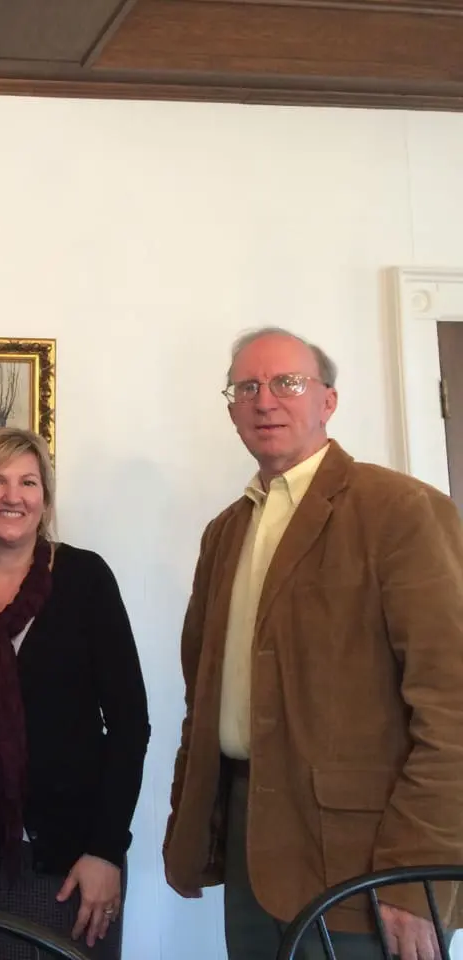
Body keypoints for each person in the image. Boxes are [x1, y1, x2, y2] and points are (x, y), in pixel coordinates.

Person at [164, 327, 463, 960]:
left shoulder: (400, 510)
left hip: (367, 862)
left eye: (287, 383)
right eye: (246, 388)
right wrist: (188, 830)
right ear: (232, 410)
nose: (264, 400)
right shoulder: (226, 531)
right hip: (247, 844)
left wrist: (416, 876)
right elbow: (203, 698)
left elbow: (453, 707)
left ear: (328, 400)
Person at [0, 427, 150, 960]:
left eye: (28, 482)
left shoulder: (86, 580)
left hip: (76, 865)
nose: (13, 496)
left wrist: (107, 851)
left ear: (45, 500)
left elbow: (131, 725)